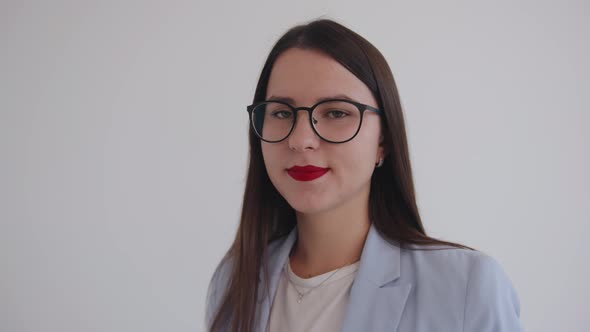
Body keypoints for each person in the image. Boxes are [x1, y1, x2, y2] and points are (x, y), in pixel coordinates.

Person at [205, 18, 523, 332]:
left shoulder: (467, 286)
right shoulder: (234, 280)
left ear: (382, 141)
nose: (301, 140)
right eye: (282, 113)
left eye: (336, 112)